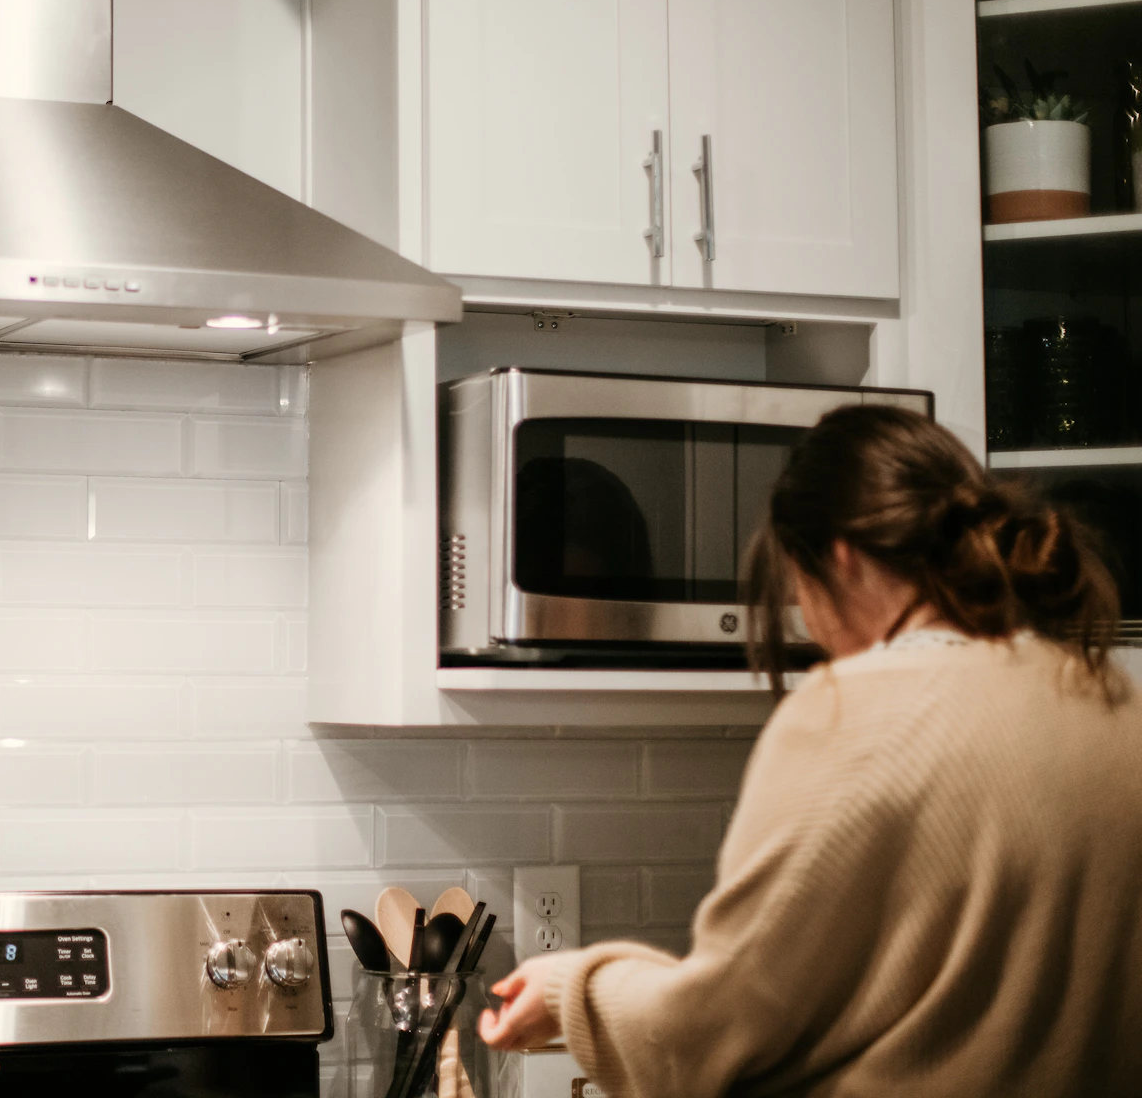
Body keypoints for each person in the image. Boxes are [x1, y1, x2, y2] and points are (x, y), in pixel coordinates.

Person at [478, 404, 1142, 1095]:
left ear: (841, 557)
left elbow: (708, 1039)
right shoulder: (1115, 704)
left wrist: (572, 989)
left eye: (796, 582)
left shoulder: (851, 711)